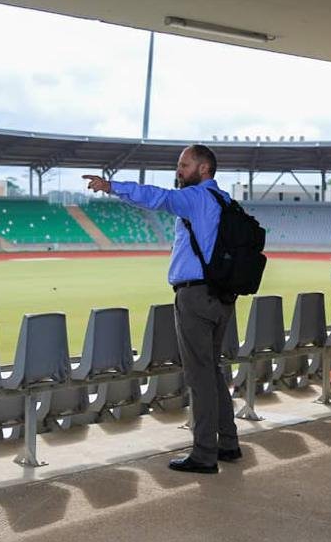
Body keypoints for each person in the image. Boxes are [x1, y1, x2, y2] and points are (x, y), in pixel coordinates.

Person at [82, 145, 239, 474]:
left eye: (185, 164)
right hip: (221, 297)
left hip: (195, 296)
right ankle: (228, 442)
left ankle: (204, 454)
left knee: (199, 376)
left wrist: (112, 186)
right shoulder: (226, 201)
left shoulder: (196, 198)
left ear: (204, 169)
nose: (179, 170)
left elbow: (158, 197)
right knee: (212, 372)